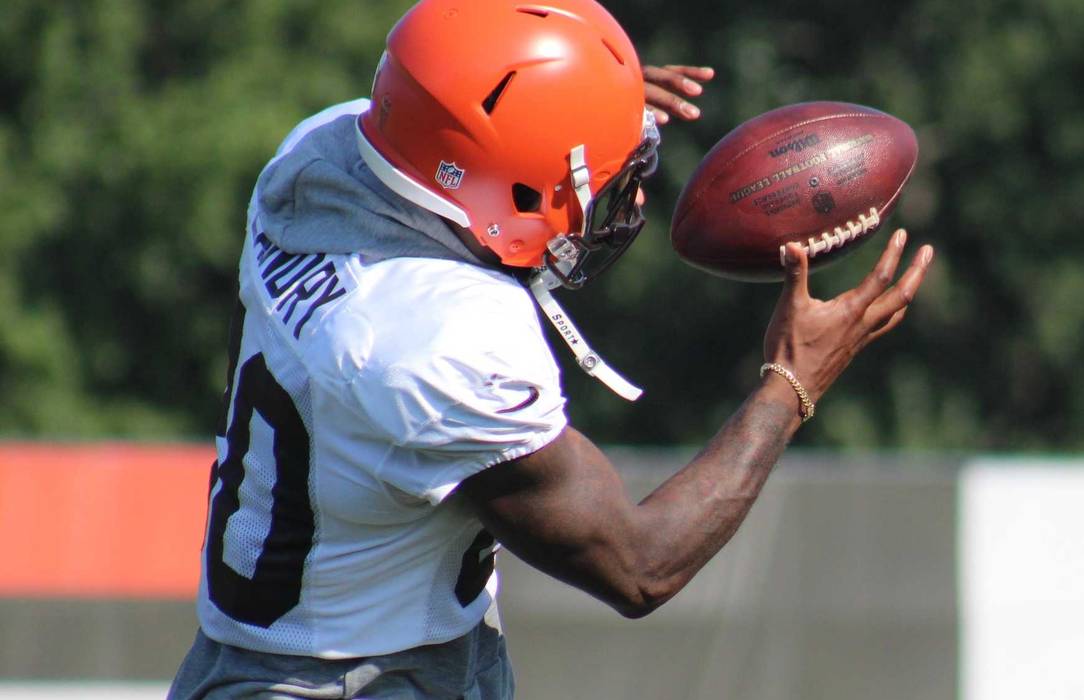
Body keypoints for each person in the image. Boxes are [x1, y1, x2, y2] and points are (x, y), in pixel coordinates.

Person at [168, 1, 934, 698]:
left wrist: (576, 105)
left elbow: (460, 125)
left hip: (298, 641)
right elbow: (640, 566)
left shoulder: (322, 152)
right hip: (349, 681)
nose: (631, 195)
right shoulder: (440, 343)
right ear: (518, 184)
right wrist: (790, 382)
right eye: (608, 175)